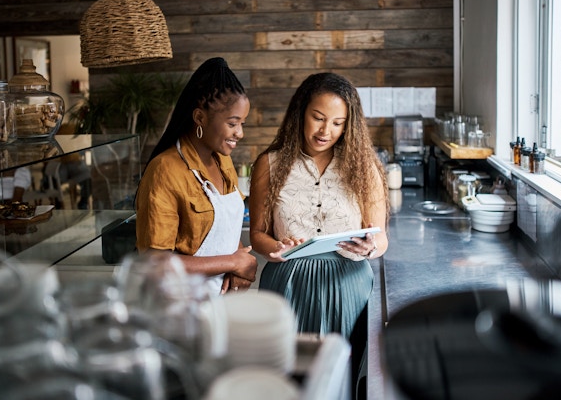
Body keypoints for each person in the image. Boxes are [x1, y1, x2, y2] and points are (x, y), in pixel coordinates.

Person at [248, 72, 389, 394]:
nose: (327, 131)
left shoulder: (364, 167)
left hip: (348, 285)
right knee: (285, 379)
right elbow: (258, 233)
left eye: (338, 123)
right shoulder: (269, 163)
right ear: (301, 113)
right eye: (318, 118)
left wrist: (369, 248)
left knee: (342, 378)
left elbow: (380, 239)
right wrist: (276, 245)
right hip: (288, 282)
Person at [135, 57, 257, 296]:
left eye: (242, 123)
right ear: (200, 118)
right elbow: (156, 264)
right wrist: (233, 262)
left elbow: (226, 228)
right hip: (179, 307)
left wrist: (239, 261)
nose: (240, 133)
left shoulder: (222, 160)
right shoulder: (165, 170)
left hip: (220, 302)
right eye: (233, 123)